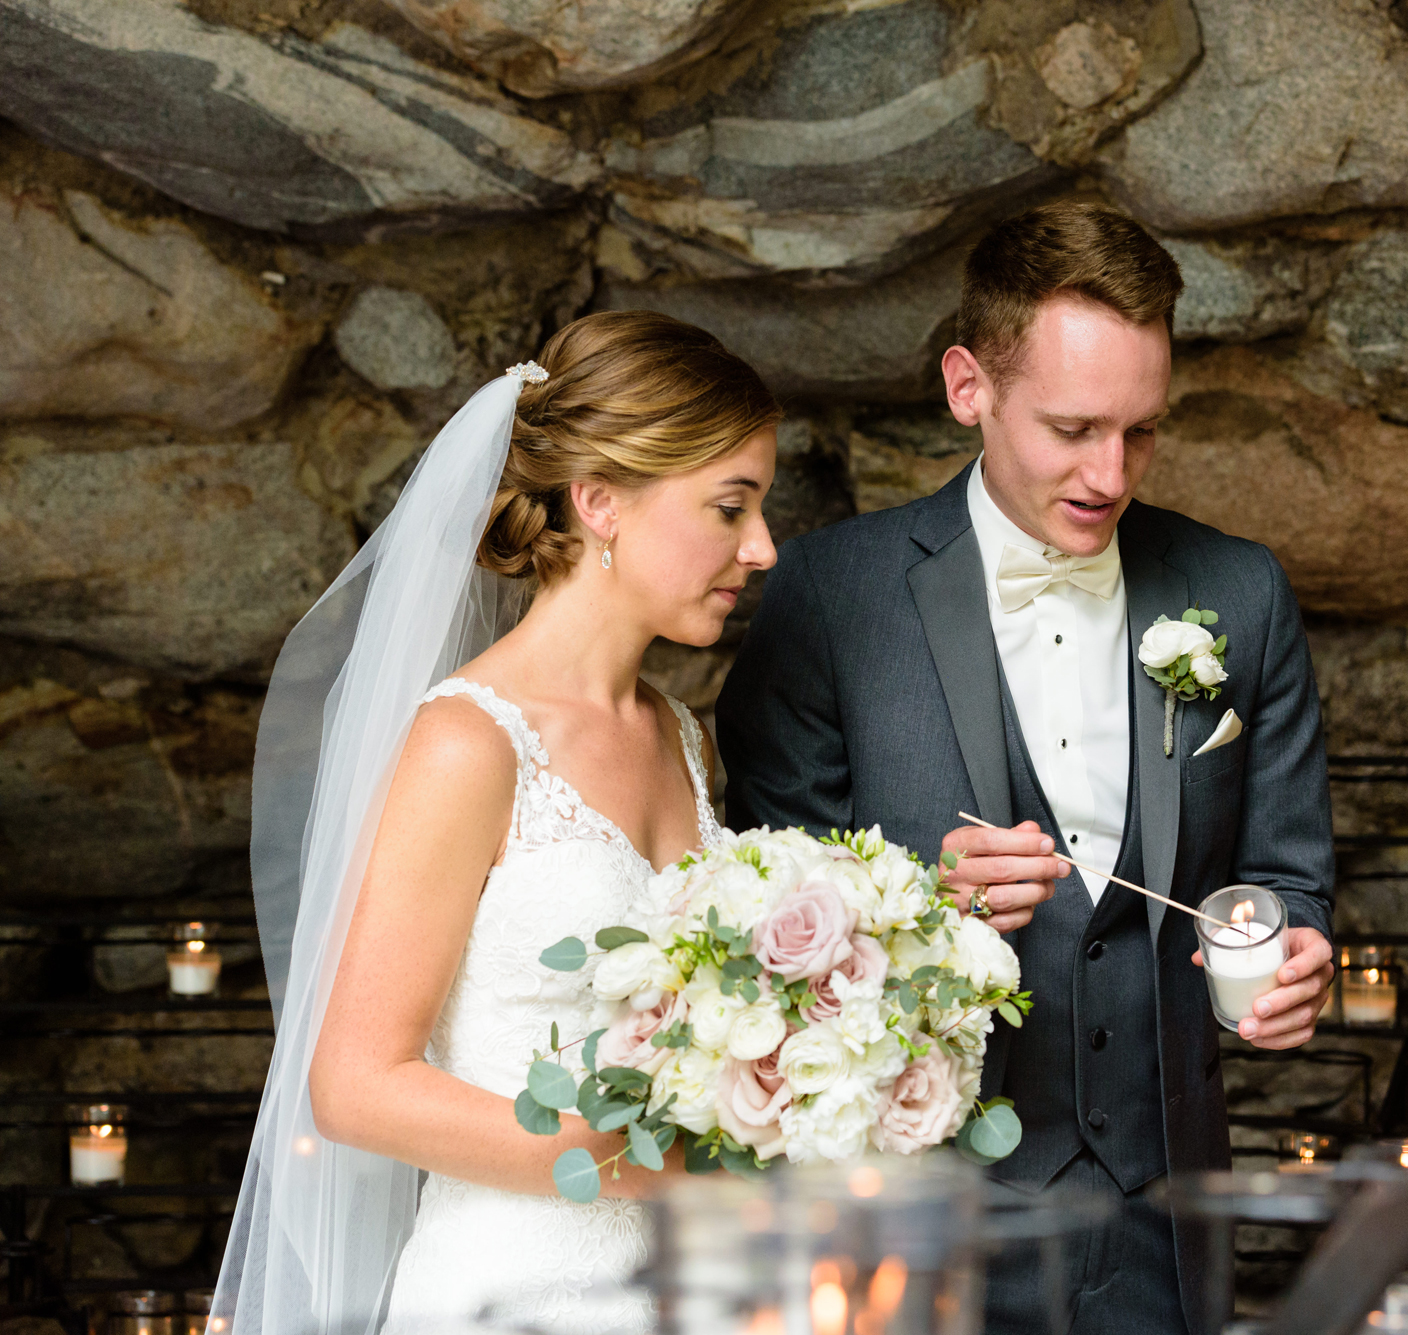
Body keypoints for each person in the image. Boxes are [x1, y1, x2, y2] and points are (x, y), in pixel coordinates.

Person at [716, 201, 1337, 1334]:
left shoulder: (1238, 591)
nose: (1111, 473)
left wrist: (1296, 953)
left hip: (1160, 1200)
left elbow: (1284, 872)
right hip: (909, 1214)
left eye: (1141, 431)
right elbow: (751, 911)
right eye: (1072, 428)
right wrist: (911, 899)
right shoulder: (827, 596)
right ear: (969, 389)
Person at [214, 311, 782, 1334]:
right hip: (512, 1293)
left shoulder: (679, 736)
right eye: (730, 508)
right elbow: (354, 1085)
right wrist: (629, 1161)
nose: (763, 548)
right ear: (602, 501)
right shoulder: (467, 744)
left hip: (686, 1294)